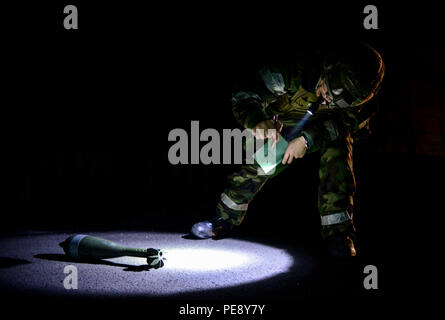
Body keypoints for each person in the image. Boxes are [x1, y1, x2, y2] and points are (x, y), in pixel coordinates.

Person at [191, 42, 385, 257]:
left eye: (343, 101)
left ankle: (339, 235)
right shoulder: (292, 70)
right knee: (262, 161)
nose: (331, 100)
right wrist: (257, 120)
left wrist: (308, 139)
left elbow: (345, 125)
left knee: (338, 154)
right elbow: (247, 90)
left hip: (323, 131)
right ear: (329, 68)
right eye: (333, 90)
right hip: (279, 125)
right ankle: (223, 220)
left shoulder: (362, 102)